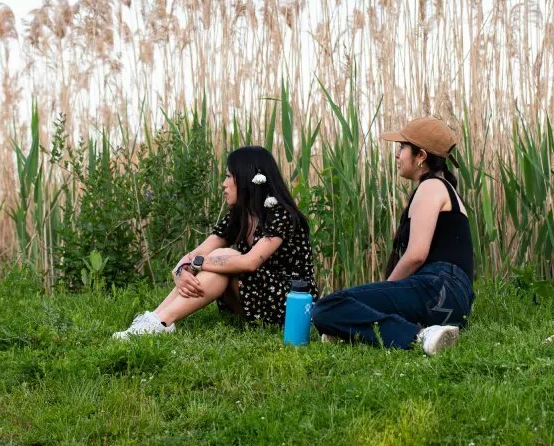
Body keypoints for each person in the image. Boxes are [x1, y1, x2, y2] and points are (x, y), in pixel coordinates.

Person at [114, 145, 317, 338]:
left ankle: (162, 323)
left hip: (290, 307)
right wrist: (180, 271)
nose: (223, 184)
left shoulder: (282, 215)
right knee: (218, 259)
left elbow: (250, 262)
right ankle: (153, 321)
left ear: (246, 179)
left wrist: (198, 263)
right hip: (253, 300)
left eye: (229, 176)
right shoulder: (240, 215)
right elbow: (199, 251)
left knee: (224, 256)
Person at [311, 116, 474, 355]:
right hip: (452, 301)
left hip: (437, 289)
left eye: (402, 148)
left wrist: (385, 288)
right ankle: (414, 331)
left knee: (326, 307)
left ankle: (420, 336)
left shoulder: (431, 188)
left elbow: (416, 255)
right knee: (349, 310)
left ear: (421, 156)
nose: (397, 155)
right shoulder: (443, 189)